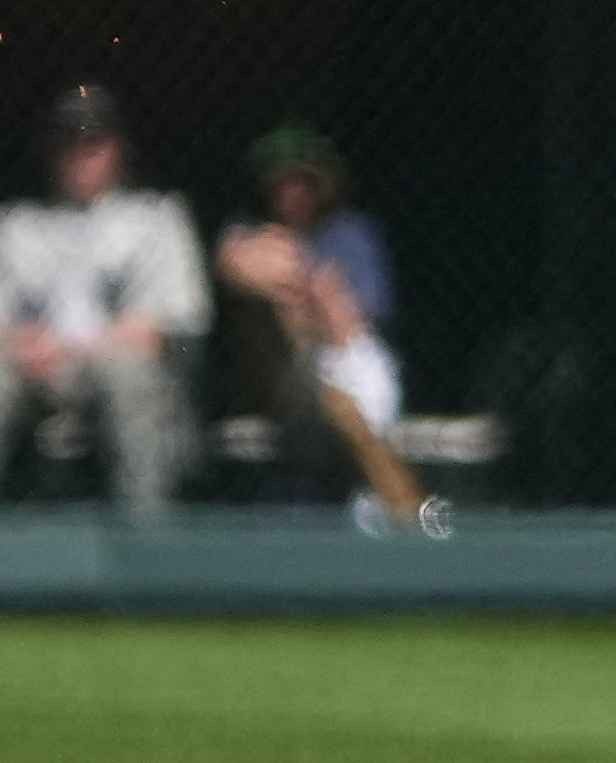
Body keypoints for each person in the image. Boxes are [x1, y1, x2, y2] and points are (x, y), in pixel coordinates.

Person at [0, 84, 208, 518]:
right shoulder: (19, 225)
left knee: (128, 372)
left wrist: (73, 347)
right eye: (68, 141)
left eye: (93, 141)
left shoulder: (157, 217)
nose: (80, 153)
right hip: (35, 371)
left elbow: (163, 330)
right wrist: (21, 344)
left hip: (116, 366)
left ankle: (146, 540)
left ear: (117, 148)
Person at [213, 122, 405, 494]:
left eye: (303, 180)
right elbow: (233, 262)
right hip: (275, 375)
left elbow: (353, 322)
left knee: (362, 397)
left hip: (348, 366)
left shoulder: (351, 235)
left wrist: (297, 288)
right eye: (283, 182)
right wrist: (308, 286)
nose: (293, 192)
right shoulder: (248, 227)